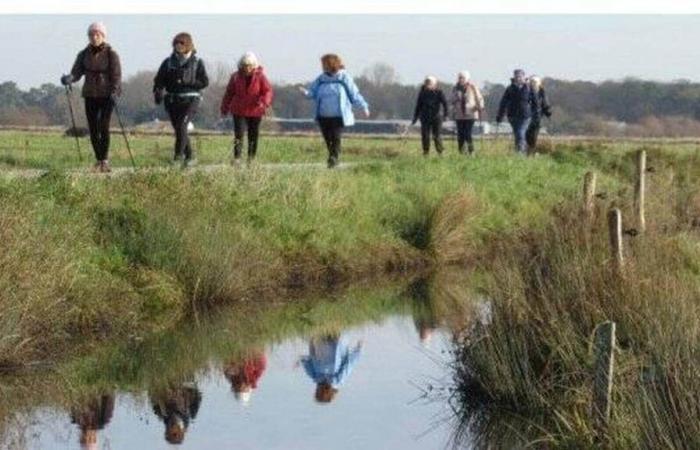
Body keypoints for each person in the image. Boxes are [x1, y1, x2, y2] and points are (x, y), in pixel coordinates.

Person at [61, 22, 121, 173]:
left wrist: (115, 91)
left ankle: (105, 160)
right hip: (90, 94)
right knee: (93, 128)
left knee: (103, 126)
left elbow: (116, 75)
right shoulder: (83, 54)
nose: (94, 37)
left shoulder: (111, 54)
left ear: (103, 36)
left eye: (97, 34)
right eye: (91, 35)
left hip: (107, 95)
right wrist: (69, 78)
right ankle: (98, 160)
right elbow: (76, 72)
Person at [299, 54, 370, 168]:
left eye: (324, 64)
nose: (322, 66)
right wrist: (305, 93)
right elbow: (313, 92)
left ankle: (334, 157)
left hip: (338, 115)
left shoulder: (344, 78)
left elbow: (354, 94)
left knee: (335, 136)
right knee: (327, 137)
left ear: (331, 64)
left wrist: (364, 106)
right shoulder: (321, 79)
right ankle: (332, 155)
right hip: (323, 115)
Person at [153, 32, 209, 168]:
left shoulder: (197, 62)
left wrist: (190, 82)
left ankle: (178, 157)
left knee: (183, 126)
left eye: (181, 43)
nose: (178, 46)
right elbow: (159, 80)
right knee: (179, 129)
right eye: (176, 43)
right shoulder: (168, 62)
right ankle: (190, 157)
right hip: (172, 99)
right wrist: (158, 91)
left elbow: (204, 82)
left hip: (191, 99)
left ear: (188, 45)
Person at [220, 52, 274, 164]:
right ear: (241, 65)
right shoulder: (235, 77)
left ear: (254, 65)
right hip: (239, 110)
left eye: (249, 65)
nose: (247, 68)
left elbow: (268, 91)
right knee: (239, 134)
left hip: (255, 110)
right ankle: (237, 158)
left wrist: (264, 102)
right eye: (245, 65)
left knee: (253, 135)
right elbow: (229, 93)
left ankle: (251, 158)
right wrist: (224, 108)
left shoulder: (261, 77)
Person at [496, 69, 537, 155]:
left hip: (525, 115)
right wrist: (500, 115)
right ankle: (520, 150)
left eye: (520, 76)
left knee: (520, 132)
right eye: (516, 76)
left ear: (524, 77)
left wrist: (535, 114)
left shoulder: (529, 88)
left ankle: (520, 152)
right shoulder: (510, 89)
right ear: (514, 77)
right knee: (517, 134)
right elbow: (503, 103)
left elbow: (535, 102)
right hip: (512, 116)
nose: (518, 78)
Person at [412, 76, 448, 156]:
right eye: (426, 83)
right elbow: (418, 106)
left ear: (434, 84)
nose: (428, 85)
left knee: (437, 135)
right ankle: (426, 152)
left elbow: (445, 104)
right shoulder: (422, 93)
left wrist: (446, 115)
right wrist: (415, 117)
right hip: (425, 117)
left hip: (436, 117)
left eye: (430, 83)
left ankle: (440, 152)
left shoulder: (439, 92)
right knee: (425, 135)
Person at [450, 71, 484, 155]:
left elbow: (479, 99)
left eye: (463, 78)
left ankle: (471, 151)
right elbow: (451, 100)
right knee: (460, 135)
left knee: (467, 133)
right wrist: (455, 98)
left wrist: (479, 107)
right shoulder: (455, 88)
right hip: (459, 115)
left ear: (467, 78)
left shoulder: (472, 87)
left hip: (470, 114)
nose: (461, 79)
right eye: (460, 77)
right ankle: (461, 152)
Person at [526, 76, 552, 154]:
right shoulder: (527, 92)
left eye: (535, 82)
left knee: (533, 136)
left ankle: (531, 153)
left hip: (537, 117)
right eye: (532, 82)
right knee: (526, 135)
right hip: (527, 117)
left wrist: (548, 112)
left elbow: (545, 104)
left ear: (539, 83)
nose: (533, 84)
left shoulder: (542, 93)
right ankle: (526, 151)